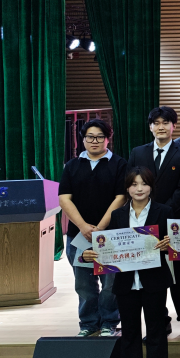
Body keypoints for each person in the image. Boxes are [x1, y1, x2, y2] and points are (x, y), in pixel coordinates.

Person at [82, 167, 172, 358]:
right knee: (130, 334)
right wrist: (89, 254)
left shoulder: (164, 211)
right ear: (127, 188)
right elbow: (106, 247)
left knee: (155, 333)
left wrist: (168, 245)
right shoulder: (118, 215)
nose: (139, 189)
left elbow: (174, 246)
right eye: (134, 184)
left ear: (151, 186)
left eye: (144, 183)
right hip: (125, 283)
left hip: (154, 282)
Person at [127, 106, 180, 342]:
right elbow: (131, 185)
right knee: (150, 276)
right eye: (156, 123)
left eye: (166, 122)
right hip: (142, 224)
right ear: (150, 127)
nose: (161, 127)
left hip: (173, 223)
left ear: (174, 126)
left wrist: (161, 213)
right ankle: (160, 323)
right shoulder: (138, 152)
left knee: (178, 279)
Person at [58, 119, 127, 337]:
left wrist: (99, 228)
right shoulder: (72, 166)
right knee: (83, 283)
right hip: (78, 235)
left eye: (99, 136)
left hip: (110, 235)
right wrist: (83, 227)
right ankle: (88, 323)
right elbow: (64, 198)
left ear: (108, 138)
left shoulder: (119, 164)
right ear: (83, 139)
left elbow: (121, 197)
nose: (94, 141)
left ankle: (109, 322)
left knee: (109, 283)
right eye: (90, 137)